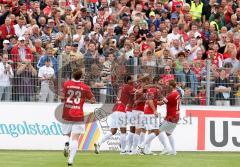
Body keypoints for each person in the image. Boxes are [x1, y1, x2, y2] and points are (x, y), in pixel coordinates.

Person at [61, 69, 96, 166]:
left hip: (67, 113)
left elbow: (61, 97)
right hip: (78, 114)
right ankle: (70, 160)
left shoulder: (66, 84)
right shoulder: (85, 87)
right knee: (76, 138)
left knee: (66, 134)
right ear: (81, 76)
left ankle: (66, 143)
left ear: (73, 75)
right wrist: (88, 100)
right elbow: (93, 100)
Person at [94, 75, 136, 154]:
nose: (133, 81)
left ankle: (98, 142)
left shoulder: (122, 87)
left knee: (113, 130)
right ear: (128, 81)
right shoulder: (128, 87)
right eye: (132, 80)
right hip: (121, 110)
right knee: (123, 130)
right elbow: (137, 92)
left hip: (114, 109)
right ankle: (123, 151)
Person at [158, 80, 181, 155]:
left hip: (171, 117)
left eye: (168, 85)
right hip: (176, 116)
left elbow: (161, 103)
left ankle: (166, 148)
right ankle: (173, 151)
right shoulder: (176, 93)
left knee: (157, 131)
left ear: (171, 86)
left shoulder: (172, 95)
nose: (167, 87)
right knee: (168, 133)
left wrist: (153, 100)